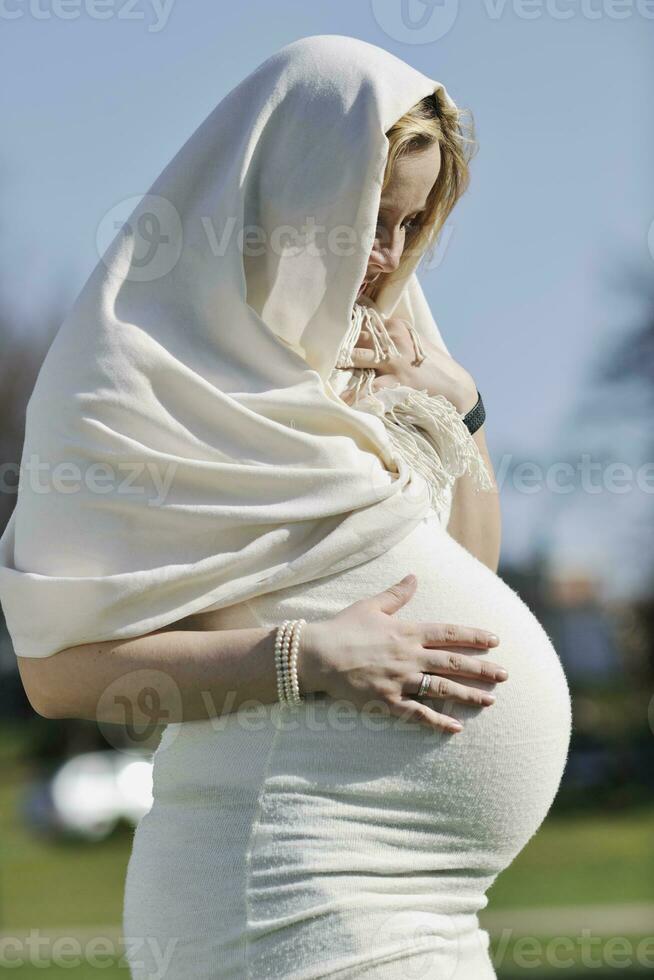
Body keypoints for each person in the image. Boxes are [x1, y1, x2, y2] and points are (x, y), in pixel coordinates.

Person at [0, 34, 572, 979]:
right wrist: (304, 658)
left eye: (412, 224)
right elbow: (59, 677)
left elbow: (471, 577)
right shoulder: (129, 380)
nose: (388, 257)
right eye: (369, 219)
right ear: (288, 196)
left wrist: (459, 409)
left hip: (431, 897)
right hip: (289, 889)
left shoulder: (371, 348)